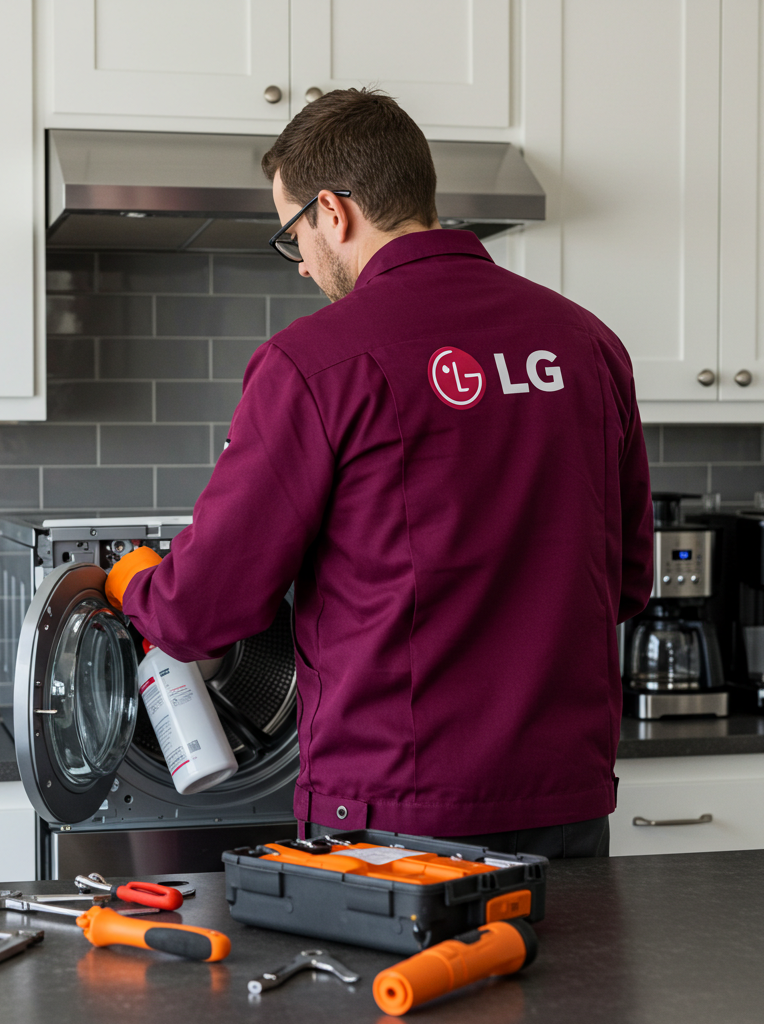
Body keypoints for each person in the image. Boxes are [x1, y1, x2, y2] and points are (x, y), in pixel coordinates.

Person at [106, 88, 654, 859]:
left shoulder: (313, 363)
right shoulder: (587, 344)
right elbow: (627, 582)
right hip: (566, 799)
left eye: (293, 233)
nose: (302, 262)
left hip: (395, 813)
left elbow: (203, 609)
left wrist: (137, 586)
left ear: (333, 212)